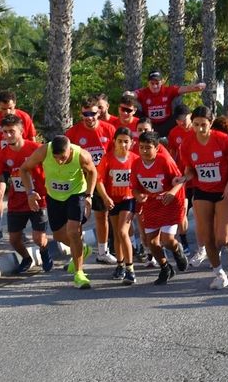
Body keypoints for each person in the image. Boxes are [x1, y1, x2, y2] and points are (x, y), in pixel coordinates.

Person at [19, 135, 97, 289]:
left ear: (69, 150)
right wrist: (30, 193)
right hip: (54, 197)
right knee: (58, 235)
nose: (59, 161)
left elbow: (93, 173)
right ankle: (82, 248)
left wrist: (89, 195)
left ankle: (79, 273)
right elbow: (24, 169)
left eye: (63, 157)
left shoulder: (81, 155)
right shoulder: (43, 151)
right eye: (56, 158)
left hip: (76, 195)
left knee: (73, 231)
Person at [179, 106, 228, 290]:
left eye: (203, 125)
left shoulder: (222, 140)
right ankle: (219, 273)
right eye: (196, 125)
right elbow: (190, 170)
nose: (199, 129)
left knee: (222, 235)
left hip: (223, 190)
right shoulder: (187, 143)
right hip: (202, 190)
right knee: (207, 237)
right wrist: (184, 178)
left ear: (211, 123)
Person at [0, 114, 48, 273]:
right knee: (14, 239)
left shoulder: (35, 148)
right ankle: (26, 259)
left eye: (11, 131)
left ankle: (44, 251)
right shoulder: (3, 154)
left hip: (38, 199)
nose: (8, 135)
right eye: (5, 132)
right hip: (16, 201)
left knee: (38, 238)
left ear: (21, 131)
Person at [131, 131, 188, 285]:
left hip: (168, 203)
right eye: (141, 147)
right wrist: (138, 195)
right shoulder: (136, 164)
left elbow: (180, 180)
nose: (143, 151)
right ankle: (165, 268)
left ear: (156, 148)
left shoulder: (164, 161)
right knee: (152, 243)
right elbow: (135, 188)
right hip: (151, 205)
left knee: (167, 240)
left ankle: (177, 249)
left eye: (148, 147)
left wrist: (171, 192)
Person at [66, 96, 117, 265]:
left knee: (102, 217)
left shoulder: (109, 130)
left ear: (99, 112)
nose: (89, 117)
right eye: (85, 114)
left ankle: (102, 252)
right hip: (81, 181)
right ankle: (77, 253)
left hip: (102, 181)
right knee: (77, 219)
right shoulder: (73, 133)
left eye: (93, 113)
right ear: (81, 114)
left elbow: (114, 155)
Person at [0, 90, 38, 242]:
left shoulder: (24, 117)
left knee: (22, 193)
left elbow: (33, 140)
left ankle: (19, 230)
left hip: (23, 162)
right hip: (3, 160)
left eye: (10, 108)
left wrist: (33, 162)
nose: (7, 112)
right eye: (3, 109)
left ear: (15, 105)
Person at [95, 127, 140, 285]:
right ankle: (120, 265)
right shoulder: (107, 159)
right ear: (114, 142)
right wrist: (105, 197)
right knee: (116, 233)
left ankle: (130, 269)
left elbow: (141, 178)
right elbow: (99, 180)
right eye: (120, 141)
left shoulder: (135, 159)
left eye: (126, 142)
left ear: (132, 143)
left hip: (128, 199)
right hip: (113, 200)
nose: (123, 144)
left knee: (122, 231)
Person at [132, 70, 206, 137]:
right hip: (150, 124)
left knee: (180, 112)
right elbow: (133, 94)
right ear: (148, 83)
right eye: (152, 83)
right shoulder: (143, 92)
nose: (155, 86)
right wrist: (128, 94)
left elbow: (184, 89)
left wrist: (195, 87)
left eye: (157, 83)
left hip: (167, 123)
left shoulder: (168, 90)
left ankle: (182, 136)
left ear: (162, 82)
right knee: (134, 111)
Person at [167, 104, 194, 254]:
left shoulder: (198, 130)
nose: (182, 123)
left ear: (190, 115)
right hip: (183, 178)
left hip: (199, 179)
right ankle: (184, 242)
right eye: (179, 121)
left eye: (185, 120)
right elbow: (172, 154)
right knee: (182, 212)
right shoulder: (173, 133)